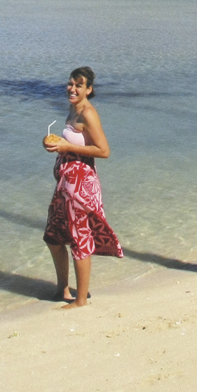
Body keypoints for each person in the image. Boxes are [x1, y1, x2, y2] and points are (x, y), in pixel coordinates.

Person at [42, 65, 122, 307]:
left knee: (79, 238)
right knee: (53, 237)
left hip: (81, 186)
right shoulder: (72, 109)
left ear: (89, 90)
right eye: (70, 83)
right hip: (64, 184)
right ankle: (62, 289)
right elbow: (74, 140)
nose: (72, 89)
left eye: (79, 85)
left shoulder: (88, 113)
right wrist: (55, 144)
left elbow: (104, 151)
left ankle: (80, 300)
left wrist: (67, 147)